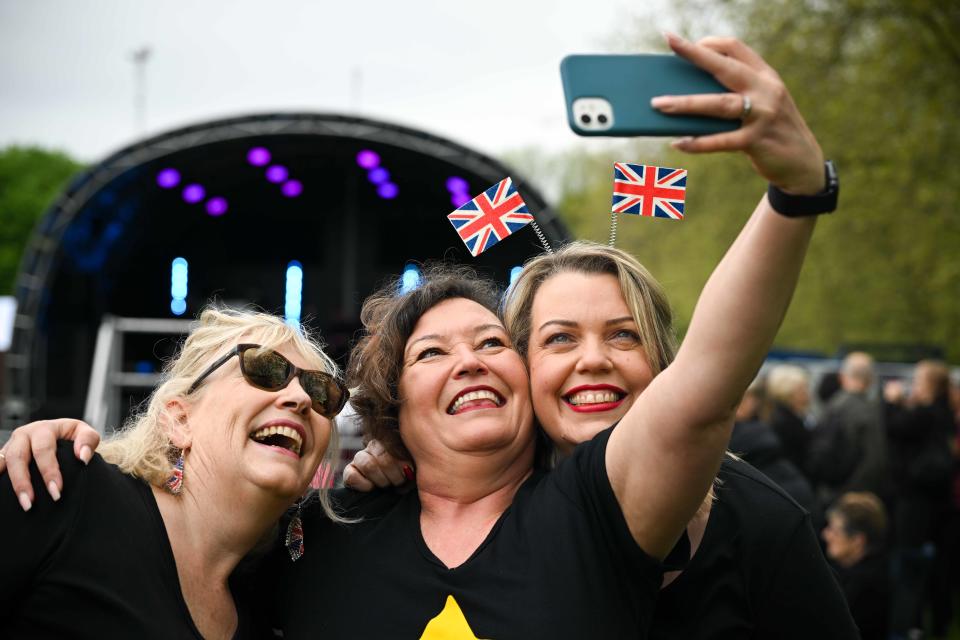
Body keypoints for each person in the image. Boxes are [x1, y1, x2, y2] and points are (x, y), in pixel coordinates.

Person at [4, 33, 849, 637]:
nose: (471, 362)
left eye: (492, 345)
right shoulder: (315, 542)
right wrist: (76, 455)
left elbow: (703, 382)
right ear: (392, 413)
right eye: (431, 353)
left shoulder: (596, 510)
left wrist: (795, 196)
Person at [0, 307, 347, 639]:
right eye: (266, 370)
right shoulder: (61, 482)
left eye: (321, 394)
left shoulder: (278, 603)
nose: (300, 399)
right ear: (179, 420)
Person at [884, 359, 956, 637]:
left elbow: (896, 427)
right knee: (934, 567)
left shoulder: (926, 413)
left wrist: (891, 402)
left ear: (930, 385)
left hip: (915, 503)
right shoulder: (944, 412)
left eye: (918, 378)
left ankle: (907, 625)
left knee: (908, 565)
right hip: (935, 501)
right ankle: (933, 621)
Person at [809, 352, 887, 506]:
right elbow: (874, 460)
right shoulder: (869, 411)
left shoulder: (832, 406)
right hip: (851, 496)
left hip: (827, 490)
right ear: (870, 379)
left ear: (842, 376)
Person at [822, 491, 890, 640]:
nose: (825, 534)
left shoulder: (863, 588)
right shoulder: (850, 571)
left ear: (857, 540)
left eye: (834, 530)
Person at [762, 364, 812, 472]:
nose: (807, 393)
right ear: (788, 392)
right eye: (802, 388)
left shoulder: (793, 415)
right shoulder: (784, 421)